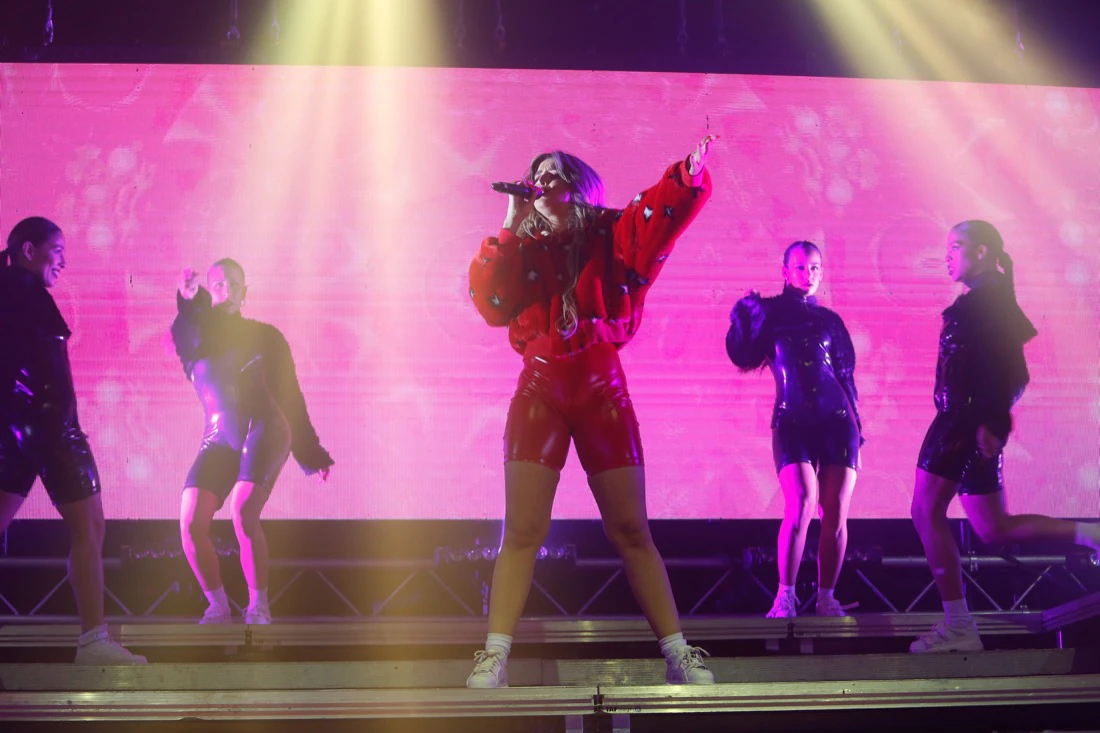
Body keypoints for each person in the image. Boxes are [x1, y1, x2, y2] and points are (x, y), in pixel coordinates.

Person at [465, 136, 718, 689]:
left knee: (630, 527)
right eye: (538, 171)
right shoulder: (521, 248)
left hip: (602, 389)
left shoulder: (609, 230)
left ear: (578, 183)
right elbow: (488, 300)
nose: (545, 177)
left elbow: (654, 223)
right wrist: (510, 222)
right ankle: (494, 657)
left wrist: (685, 173)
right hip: (539, 390)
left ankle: (678, 653)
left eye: (556, 171)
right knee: (523, 530)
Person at [909, 220, 1100, 653]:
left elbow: (1014, 375)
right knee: (992, 528)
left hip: (960, 424)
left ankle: (959, 626)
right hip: (971, 425)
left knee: (925, 513)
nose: (948, 255)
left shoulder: (989, 303)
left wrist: (990, 422)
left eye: (957, 246)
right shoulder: (986, 299)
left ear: (981, 253)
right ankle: (1090, 533)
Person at [0, 217, 146, 664]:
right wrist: (60, 428)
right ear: (29, 250)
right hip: (51, 428)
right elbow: (49, 376)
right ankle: (93, 640)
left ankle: (94, 641)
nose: (63, 260)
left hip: (17, 427)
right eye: (57, 249)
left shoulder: (9, 290)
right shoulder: (26, 293)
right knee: (90, 527)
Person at [171, 258, 333, 625]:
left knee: (243, 512)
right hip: (220, 435)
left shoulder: (266, 337)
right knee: (191, 521)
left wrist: (311, 453)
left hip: (266, 426)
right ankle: (219, 606)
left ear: (246, 293)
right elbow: (189, 331)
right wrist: (186, 300)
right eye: (217, 285)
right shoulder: (194, 335)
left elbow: (290, 395)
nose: (225, 290)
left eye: (233, 285)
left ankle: (258, 605)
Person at [726, 241, 862, 618]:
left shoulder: (831, 321)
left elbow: (846, 376)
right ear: (785, 271)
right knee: (801, 502)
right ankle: (784, 596)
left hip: (838, 423)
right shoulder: (769, 314)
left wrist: (858, 427)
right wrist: (743, 319)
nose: (809, 275)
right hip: (792, 421)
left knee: (834, 513)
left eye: (816, 268)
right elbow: (741, 354)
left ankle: (826, 598)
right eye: (801, 268)